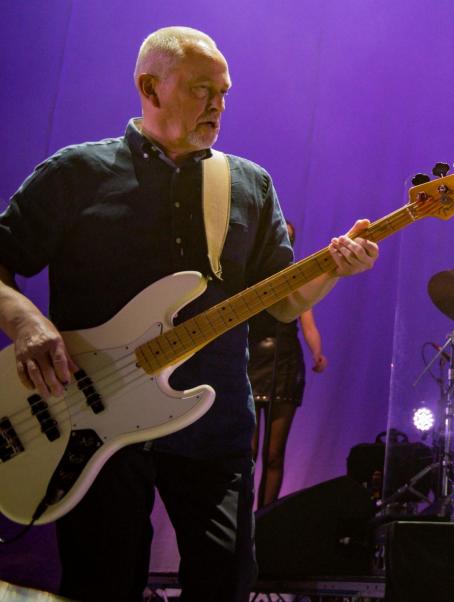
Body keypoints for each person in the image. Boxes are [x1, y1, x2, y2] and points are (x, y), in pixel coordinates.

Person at [0, 26, 378, 601]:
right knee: (102, 583)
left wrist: (332, 268)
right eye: (203, 89)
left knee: (225, 584)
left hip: (215, 423)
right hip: (89, 424)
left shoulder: (249, 185)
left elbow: (280, 300)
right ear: (150, 87)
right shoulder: (77, 173)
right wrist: (25, 322)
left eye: (224, 91)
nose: (219, 104)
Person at [249, 221, 327, 509]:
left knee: (274, 452)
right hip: (252, 359)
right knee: (248, 449)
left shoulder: (296, 279)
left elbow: (309, 324)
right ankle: (240, 516)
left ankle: (265, 516)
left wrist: (318, 353)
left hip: (284, 365)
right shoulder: (251, 275)